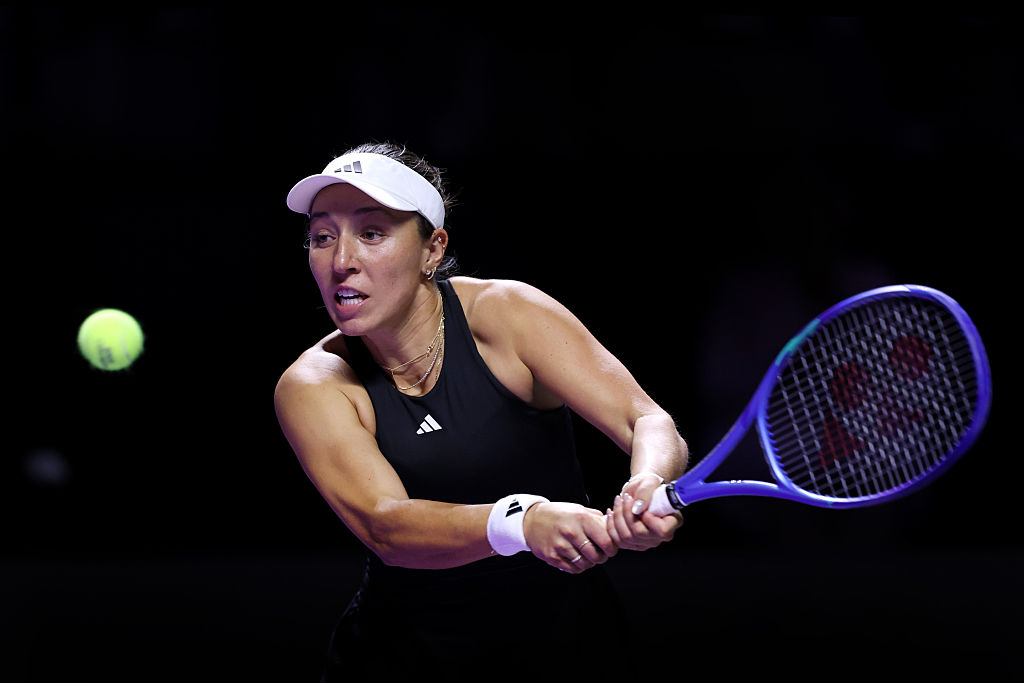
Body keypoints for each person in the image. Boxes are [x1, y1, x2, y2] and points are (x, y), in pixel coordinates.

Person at [274, 142, 688, 679]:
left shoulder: (507, 314)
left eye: (372, 233)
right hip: (402, 664)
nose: (341, 261)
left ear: (432, 249)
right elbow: (386, 526)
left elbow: (645, 420)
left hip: (570, 650)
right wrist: (522, 522)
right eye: (322, 237)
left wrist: (648, 481)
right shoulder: (314, 383)